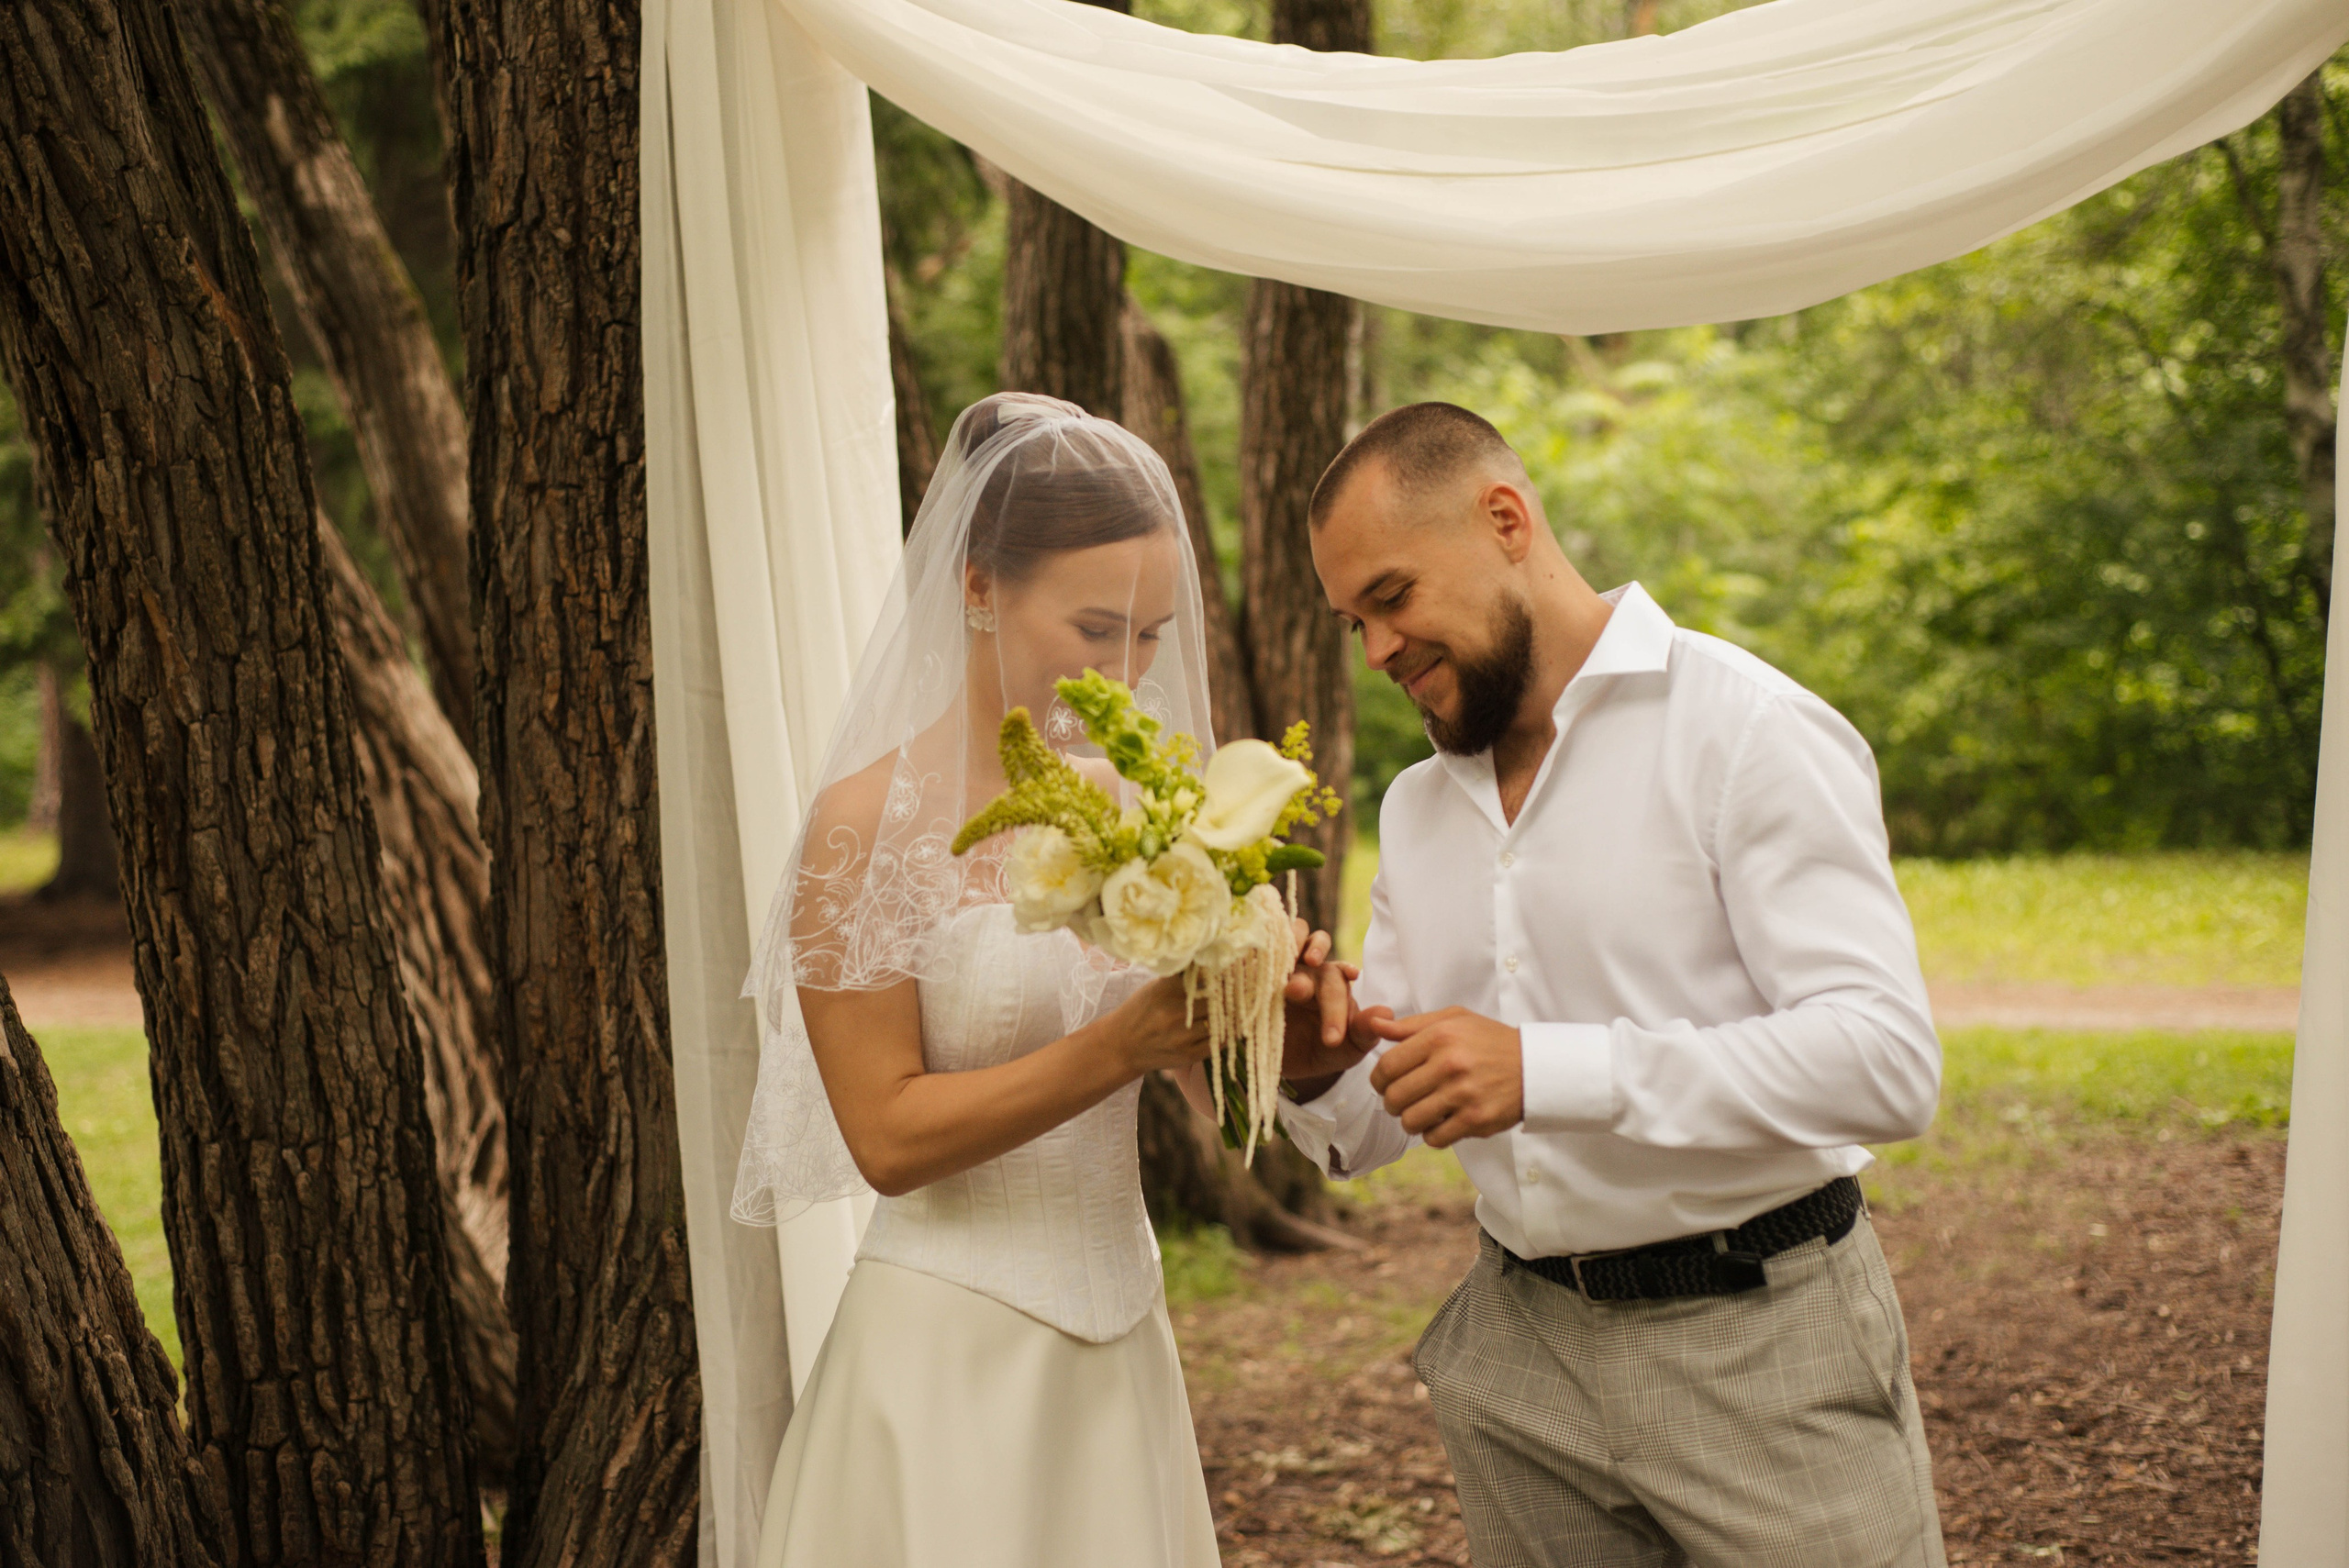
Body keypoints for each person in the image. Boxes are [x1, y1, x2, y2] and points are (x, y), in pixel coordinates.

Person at [1280, 402, 1950, 1567]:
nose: (1377, 650)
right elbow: (1373, 1120)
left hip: (1764, 1350)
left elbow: (1885, 1062)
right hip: (1520, 1365)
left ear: (1505, 520)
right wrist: (1304, 1060)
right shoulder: (1419, 807)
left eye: (1391, 597)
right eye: (1352, 623)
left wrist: (1546, 1068)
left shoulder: (1746, 730)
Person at [734, 392, 1320, 1567]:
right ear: (977, 586)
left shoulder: (1155, 813)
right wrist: (1125, 1043)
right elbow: (886, 1137)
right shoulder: (862, 830)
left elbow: (1229, 1108)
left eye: (1151, 634)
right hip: (946, 1357)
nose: (1126, 669)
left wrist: (1282, 1018)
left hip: (1121, 1349)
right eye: (1096, 627)